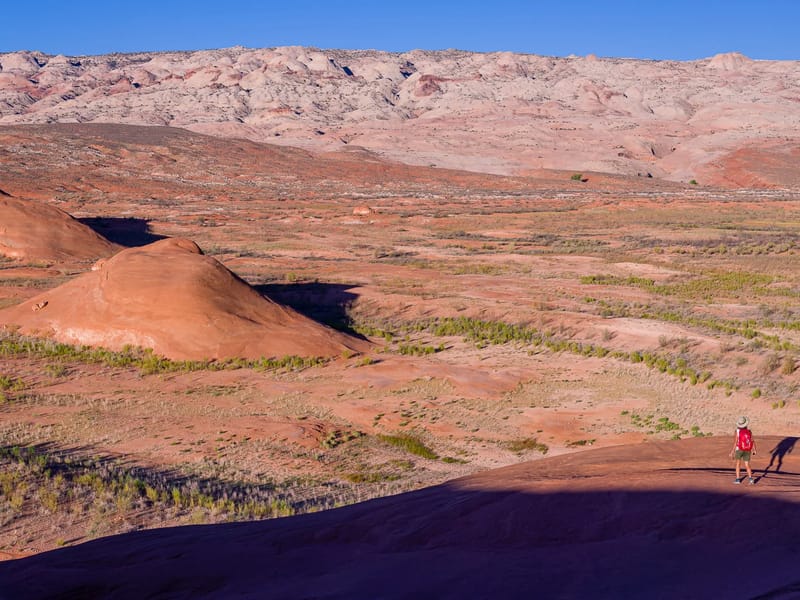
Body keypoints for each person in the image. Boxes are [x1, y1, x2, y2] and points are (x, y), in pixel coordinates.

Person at [730, 416, 756, 484]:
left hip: (739, 449)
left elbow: (735, 442)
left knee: (738, 464)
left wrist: (732, 451)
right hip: (747, 449)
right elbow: (752, 440)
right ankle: (751, 479)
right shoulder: (749, 431)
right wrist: (754, 449)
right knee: (747, 464)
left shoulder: (737, 431)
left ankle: (738, 479)